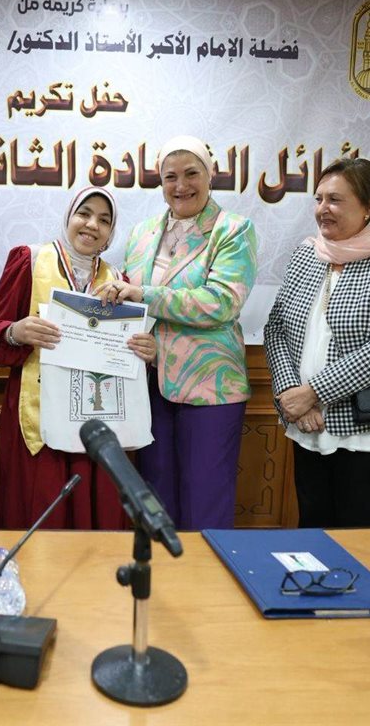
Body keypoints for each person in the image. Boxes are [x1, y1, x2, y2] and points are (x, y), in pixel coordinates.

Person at [263, 157, 370, 528]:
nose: (322, 209)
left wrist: (313, 393)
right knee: (312, 530)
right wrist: (292, 394)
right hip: (308, 422)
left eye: (335, 200)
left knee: (357, 537)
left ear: (369, 208)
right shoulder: (308, 253)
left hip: (366, 428)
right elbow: (276, 327)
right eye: (318, 199)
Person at [96, 136, 258, 530]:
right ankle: (161, 571)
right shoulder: (142, 233)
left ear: (210, 175)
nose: (181, 185)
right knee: (156, 499)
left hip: (210, 387)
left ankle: (205, 573)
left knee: (205, 501)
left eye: (191, 174)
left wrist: (145, 295)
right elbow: (131, 302)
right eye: (170, 177)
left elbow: (222, 302)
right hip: (150, 385)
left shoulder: (233, 230)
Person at [0, 187, 155, 529]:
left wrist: (145, 351)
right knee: (41, 509)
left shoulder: (118, 281)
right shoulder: (30, 260)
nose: (92, 225)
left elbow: (125, 355)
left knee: (96, 511)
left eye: (104, 220)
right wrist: (16, 331)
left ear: (110, 233)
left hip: (98, 419)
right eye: (84, 214)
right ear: (68, 217)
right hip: (38, 413)